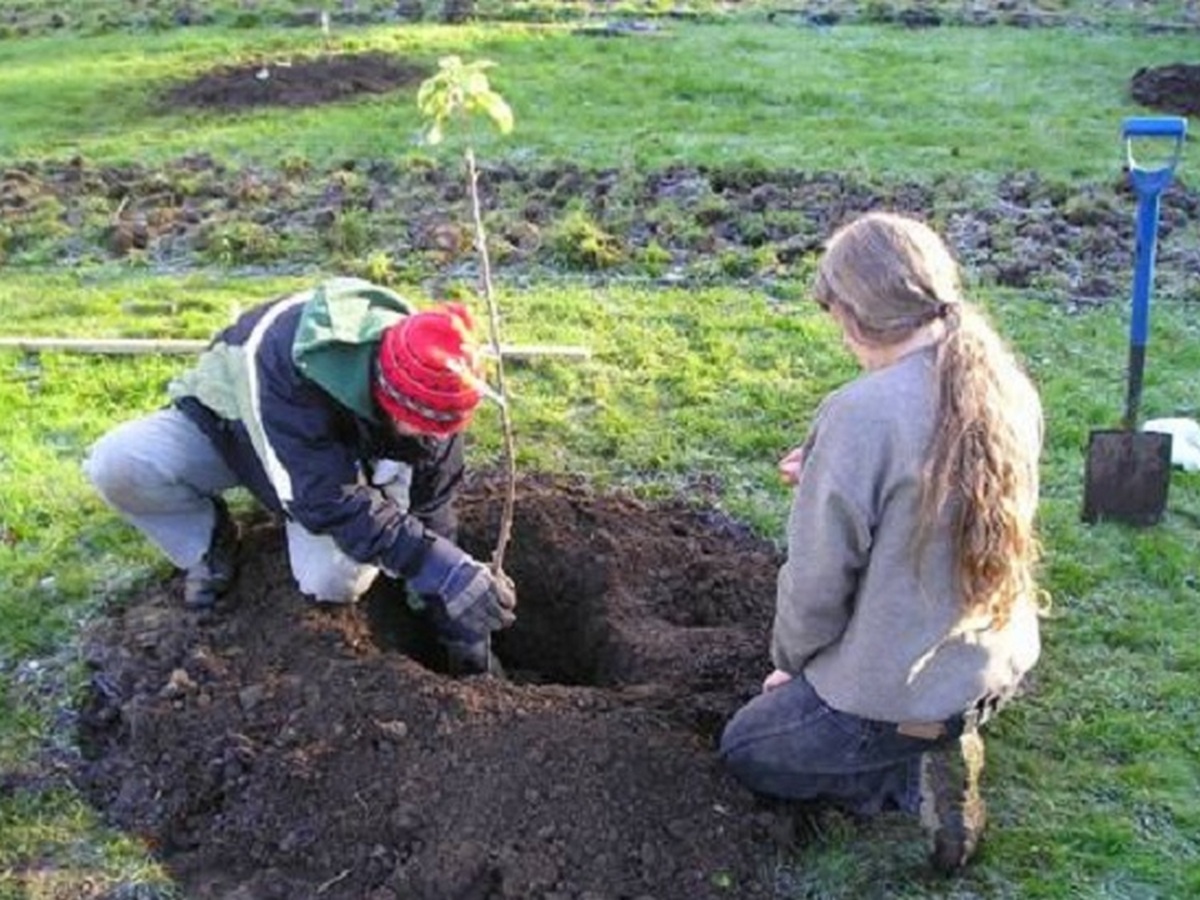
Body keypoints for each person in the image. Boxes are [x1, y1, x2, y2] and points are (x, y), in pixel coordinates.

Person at [719, 212, 1044, 872]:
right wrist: (832, 471)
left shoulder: (861, 413)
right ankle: (942, 737)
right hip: (992, 674)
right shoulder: (1003, 382)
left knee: (748, 748)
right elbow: (928, 492)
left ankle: (908, 773)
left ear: (850, 316)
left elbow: (817, 583)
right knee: (924, 715)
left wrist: (793, 666)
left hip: (899, 702)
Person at [84, 277, 515, 675]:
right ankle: (208, 542)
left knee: (334, 581)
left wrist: (452, 615)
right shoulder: (284, 364)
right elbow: (327, 499)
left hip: (323, 464)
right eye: (422, 427)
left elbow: (432, 508)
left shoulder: (437, 393)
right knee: (118, 464)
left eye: (443, 430)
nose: (433, 439)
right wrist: (429, 562)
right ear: (387, 396)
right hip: (233, 430)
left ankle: (327, 519)